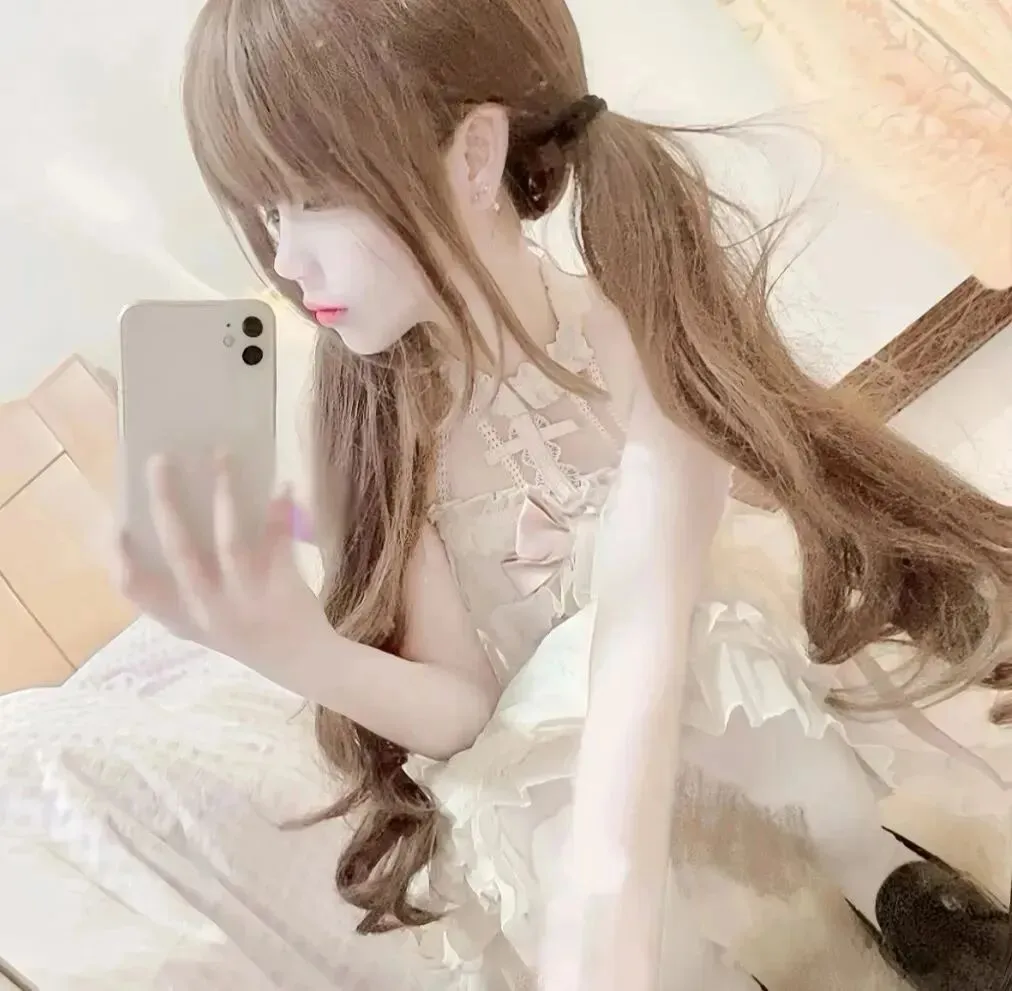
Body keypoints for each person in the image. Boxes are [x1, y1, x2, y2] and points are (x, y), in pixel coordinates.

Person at [121, 0, 1012, 987]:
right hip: (569, 785)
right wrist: (297, 651)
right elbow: (465, 709)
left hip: (719, 710)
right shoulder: (372, 430)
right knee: (547, 792)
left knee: (720, 665)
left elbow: (654, 610)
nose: (286, 261)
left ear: (473, 158)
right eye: (267, 216)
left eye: (308, 199)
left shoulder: (623, 326)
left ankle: (882, 880)